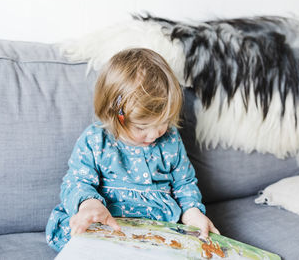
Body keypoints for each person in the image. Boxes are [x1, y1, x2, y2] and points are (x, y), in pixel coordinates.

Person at [46, 48, 219, 251]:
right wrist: (89, 204)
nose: (154, 134)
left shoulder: (171, 139)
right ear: (114, 115)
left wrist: (192, 212)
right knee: (79, 234)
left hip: (157, 225)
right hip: (107, 220)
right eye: (142, 127)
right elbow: (77, 180)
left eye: (163, 122)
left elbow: (184, 183)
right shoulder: (96, 140)